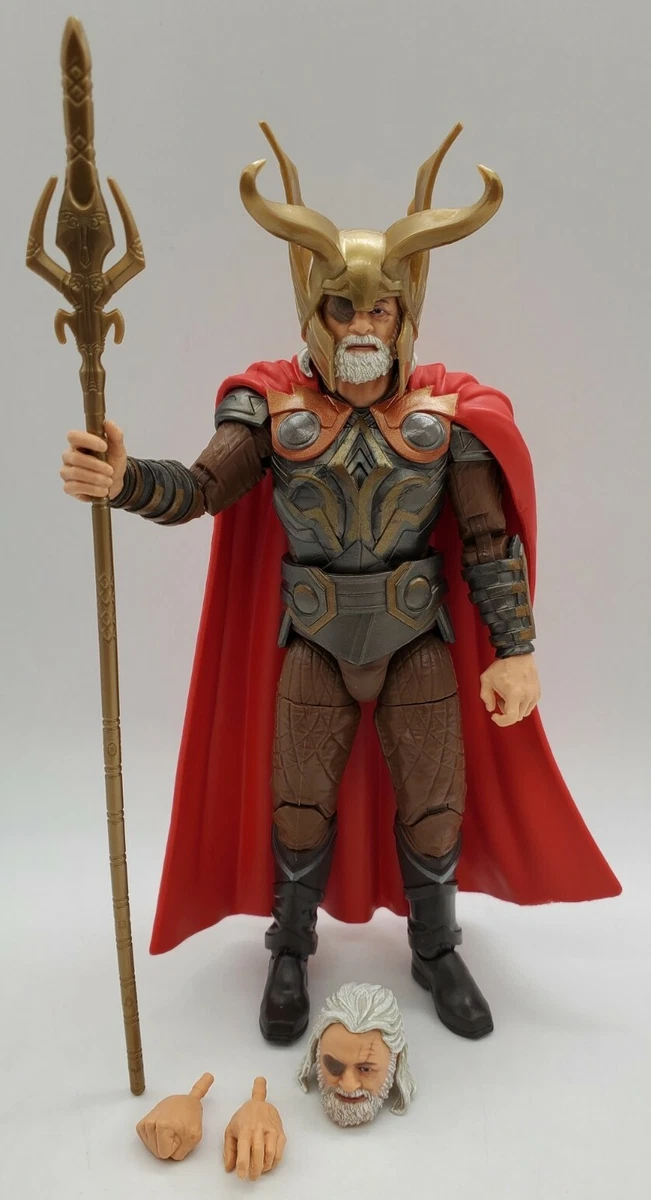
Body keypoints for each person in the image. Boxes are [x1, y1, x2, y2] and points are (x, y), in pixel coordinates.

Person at [59, 123, 620, 1049]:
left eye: (380, 311)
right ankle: (289, 947)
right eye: (342, 309)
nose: (361, 328)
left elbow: (486, 545)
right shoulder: (269, 410)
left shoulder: (449, 417)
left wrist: (515, 649)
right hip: (314, 638)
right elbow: (199, 490)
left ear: (405, 314)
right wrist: (123, 480)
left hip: (416, 639)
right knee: (297, 803)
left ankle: (435, 948)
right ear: (312, 312)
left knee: (434, 805)